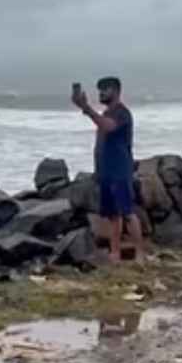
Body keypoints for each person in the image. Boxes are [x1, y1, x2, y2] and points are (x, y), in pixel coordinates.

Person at [72, 76, 145, 263]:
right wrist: (97, 168)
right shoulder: (106, 113)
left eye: (106, 89)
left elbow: (108, 127)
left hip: (120, 169)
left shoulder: (122, 113)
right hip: (106, 170)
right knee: (113, 215)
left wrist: (86, 108)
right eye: (100, 90)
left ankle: (140, 253)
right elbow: (101, 140)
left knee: (127, 212)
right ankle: (115, 253)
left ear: (117, 91)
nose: (101, 93)